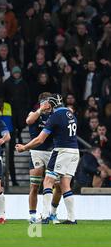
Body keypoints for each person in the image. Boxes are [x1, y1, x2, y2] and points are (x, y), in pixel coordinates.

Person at [16, 94, 80, 224]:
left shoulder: (54, 116)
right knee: (65, 184)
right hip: (75, 151)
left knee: (47, 182)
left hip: (61, 151)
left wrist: (24, 147)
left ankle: (45, 216)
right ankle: (71, 218)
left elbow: (40, 139)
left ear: (52, 104)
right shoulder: (70, 113)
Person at [26, 92, 62, 224]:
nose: (48, 104)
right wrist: (40, 109)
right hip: (36, 152)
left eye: (49, 102)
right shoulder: (34, 114)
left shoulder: (55, 115)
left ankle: (52, 213)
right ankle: (32, 215)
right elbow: (29, 121)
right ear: (41, 103)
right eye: (45, 101)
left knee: (58, 186)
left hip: (53, 151)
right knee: (34, 186)